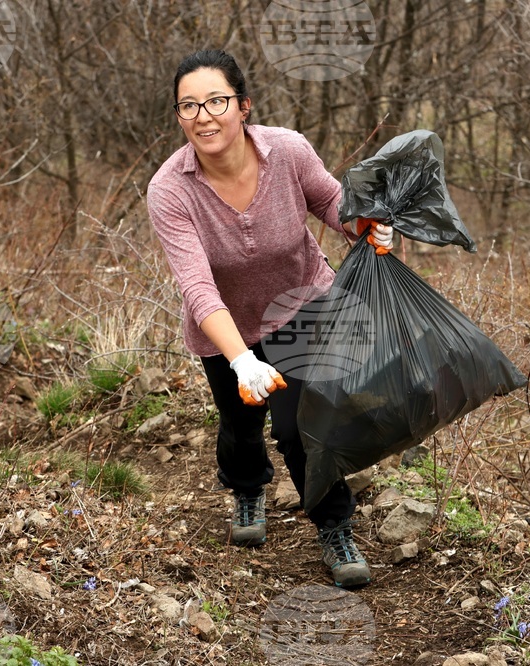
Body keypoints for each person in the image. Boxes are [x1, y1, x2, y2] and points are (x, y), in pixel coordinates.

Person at [145, 49, 393, 588]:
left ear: (243, 106)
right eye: (189, 106)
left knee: (301, 427)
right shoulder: (170, 190)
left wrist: (365, 226)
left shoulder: (287, 151)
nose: (204, 116)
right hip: (224, 328)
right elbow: (196, 286)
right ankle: (247, 489)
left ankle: (334, 526)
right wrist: (240, 361)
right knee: (240, 427)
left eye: (216, 101)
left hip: (303, 306)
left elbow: (330, 201)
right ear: (179, 117)